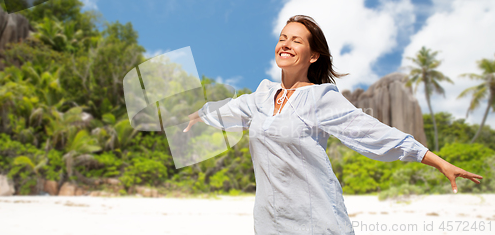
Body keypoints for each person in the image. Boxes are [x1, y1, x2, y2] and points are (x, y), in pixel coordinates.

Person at [183, 15, 483, 235]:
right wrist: (193, 117)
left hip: (317, 223)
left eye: (296, 40)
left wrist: (437, 161)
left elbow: (373, 132)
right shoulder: (260, 97)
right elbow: (224, 110)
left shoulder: (320, 98)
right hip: (268, 223)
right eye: (282, 38)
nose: (285, 44)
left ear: (313, 55)